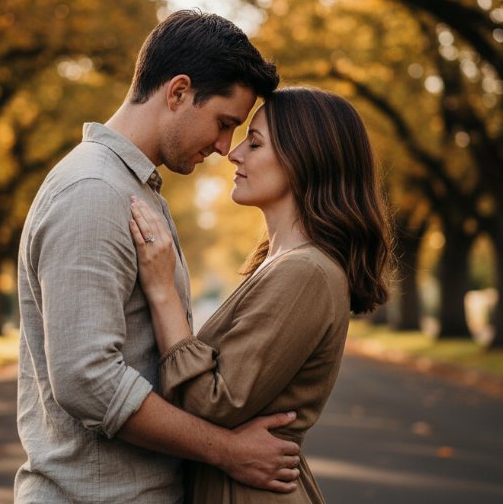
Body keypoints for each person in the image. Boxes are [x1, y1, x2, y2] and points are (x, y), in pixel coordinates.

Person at [15, 10, 303, 504]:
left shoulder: (130, 187)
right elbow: (87, 380)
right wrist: (227, 451)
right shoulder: (93, 191)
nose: (223, 147)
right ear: (177, 92)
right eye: (224, 123)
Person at [128, 86, 393, 504]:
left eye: (254, 143)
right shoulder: (281, 263)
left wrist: (162, 291)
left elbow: (212, 402)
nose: (234, 154)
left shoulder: (306, 272)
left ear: (304, 159)